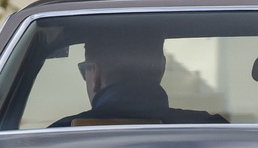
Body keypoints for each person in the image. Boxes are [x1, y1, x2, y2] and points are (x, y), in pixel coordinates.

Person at [51, 30, 227, 127]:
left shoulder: (54, 139)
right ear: (162, 66)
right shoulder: (215, 130)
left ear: (95, 74)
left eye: (85, 71)